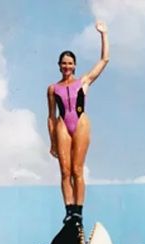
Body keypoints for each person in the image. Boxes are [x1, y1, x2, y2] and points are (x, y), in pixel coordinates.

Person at [47, 21, 109, 224]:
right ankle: (69, 209)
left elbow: (104, 59)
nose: (67, 66)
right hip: (62, 125)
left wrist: (103, 34)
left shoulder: (83, 81)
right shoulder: (52, 88)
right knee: (64, 171)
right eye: (63, 63)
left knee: (77, 169)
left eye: (70, 63)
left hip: (80, 122)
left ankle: (79, 211)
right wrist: (52, 142)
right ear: (59, 65)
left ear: (74, 65)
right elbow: (51, 116)